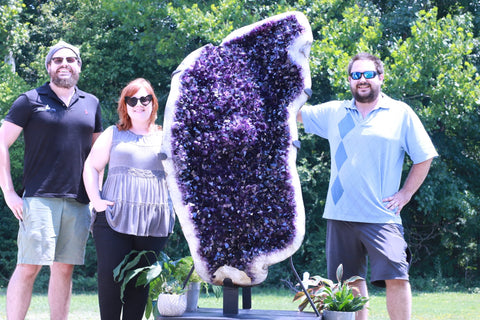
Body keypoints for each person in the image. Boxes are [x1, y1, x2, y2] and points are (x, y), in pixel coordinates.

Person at [297, 52, 438, 320]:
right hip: (341, 215)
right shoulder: (335, 112)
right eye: (356, 75)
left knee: (397, 276)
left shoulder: (400, 113)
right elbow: (295, 114)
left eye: (368, 74)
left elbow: (424, 157)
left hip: (382, 216)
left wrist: (405, 194)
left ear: (380, 77)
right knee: (350, 281)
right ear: (350, 80)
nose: (362, 80)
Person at [0, 40, 103, 320]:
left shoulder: (91, 103)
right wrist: (9, 192)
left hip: (78, 201)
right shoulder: (30, 99)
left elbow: (97, 156)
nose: (64, 64)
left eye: (71, 59)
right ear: (49, 67)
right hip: (39, 198)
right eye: (58, 60)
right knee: (29, 266)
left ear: (79, 66)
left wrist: (96, 197)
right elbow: (1, 142)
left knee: (64, 268)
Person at [83, 78, 175, 320]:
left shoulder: (166, 137)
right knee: (111, 279)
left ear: (153, 103)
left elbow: (181, 176)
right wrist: (97, 201)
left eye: (145, 99)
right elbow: (91, 167)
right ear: (125, 105)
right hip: (113, 218)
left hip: (154, 222)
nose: (139, 104)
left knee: (140, 282)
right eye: (132, 100)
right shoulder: (113, 133)